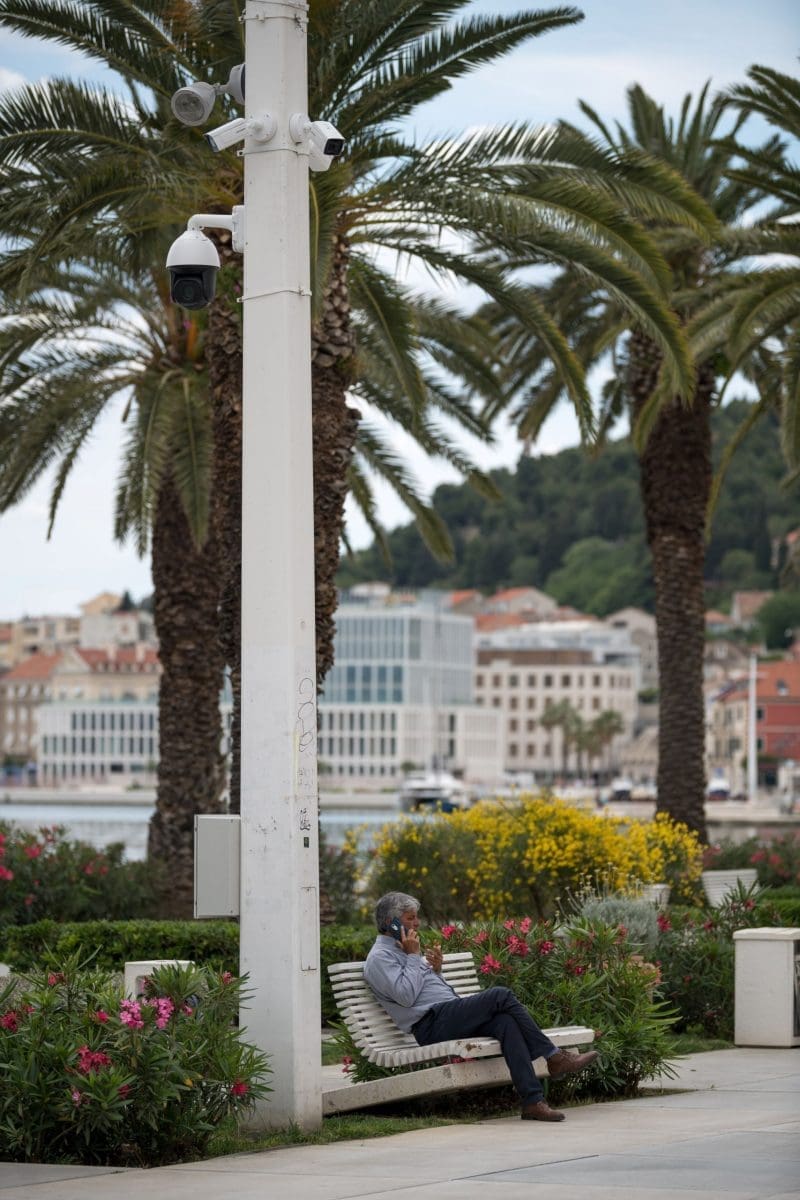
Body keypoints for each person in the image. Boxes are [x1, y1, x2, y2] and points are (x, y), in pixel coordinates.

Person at [364, 891, 599, 1123]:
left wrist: (436, 970)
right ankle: (554, 1056)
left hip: (446, 1015)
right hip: (430, 1024)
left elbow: (425, 991)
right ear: (391, 922)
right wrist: (414, 957)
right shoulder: (380, 958)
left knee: (506, 1023)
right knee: (500, 995)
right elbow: (406, 997)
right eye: (410, 918)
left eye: (417, 917)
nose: (417, 923)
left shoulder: (404, 950)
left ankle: (532, 1102)